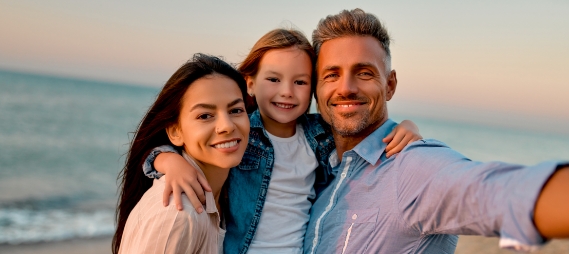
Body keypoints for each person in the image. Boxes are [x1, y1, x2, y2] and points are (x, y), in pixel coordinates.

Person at [302, 8, 569, 253]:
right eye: (331, 75)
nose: (346, 87)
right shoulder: (318, 174)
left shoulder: (412, 167)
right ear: (316, 89)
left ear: (390, 85)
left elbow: (499, 192)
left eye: (364, 73)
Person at [142, 29, 423, 253]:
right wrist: (169, 160)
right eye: (274, 80)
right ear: (250, 83)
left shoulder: (319, 135)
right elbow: (189, 148)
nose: (287, 92)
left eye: (300, 82)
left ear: (314, 87)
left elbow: (361, 136)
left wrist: (406, 126)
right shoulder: (241, 132)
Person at [112, 53, 250, 254]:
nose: (227, 126)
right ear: (175, 132)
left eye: (236, 110)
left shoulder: (225, 195)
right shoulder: (178, 214)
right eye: (205, 115)